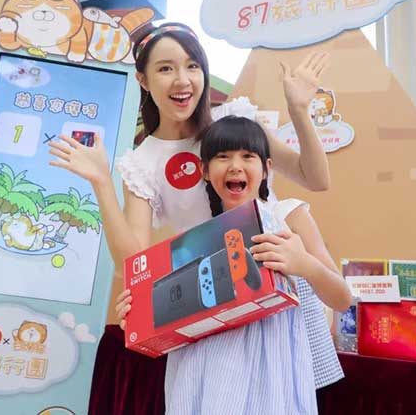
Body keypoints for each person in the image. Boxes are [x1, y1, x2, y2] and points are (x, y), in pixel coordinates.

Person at [49, 23, 336, 415]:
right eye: (165, 68)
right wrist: (102, 183)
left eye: (192, 66)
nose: (182, 80)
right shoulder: (143, 161)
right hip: (207, 304)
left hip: (269, 295)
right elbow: (133, 263)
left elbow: (314, 178)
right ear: (143, 80)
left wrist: (300, 111)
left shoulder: (234, 121)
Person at [120, 116, 352, 413]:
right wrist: (136, 311)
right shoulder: (195, 240)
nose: (235, 166)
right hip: (203, 368)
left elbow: (342, 298)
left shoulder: (287, 215)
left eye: (247, 156)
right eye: (222, 156)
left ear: (267, 168)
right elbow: (166, 312)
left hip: (271, 369)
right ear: (205, 170)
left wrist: (304, 264)